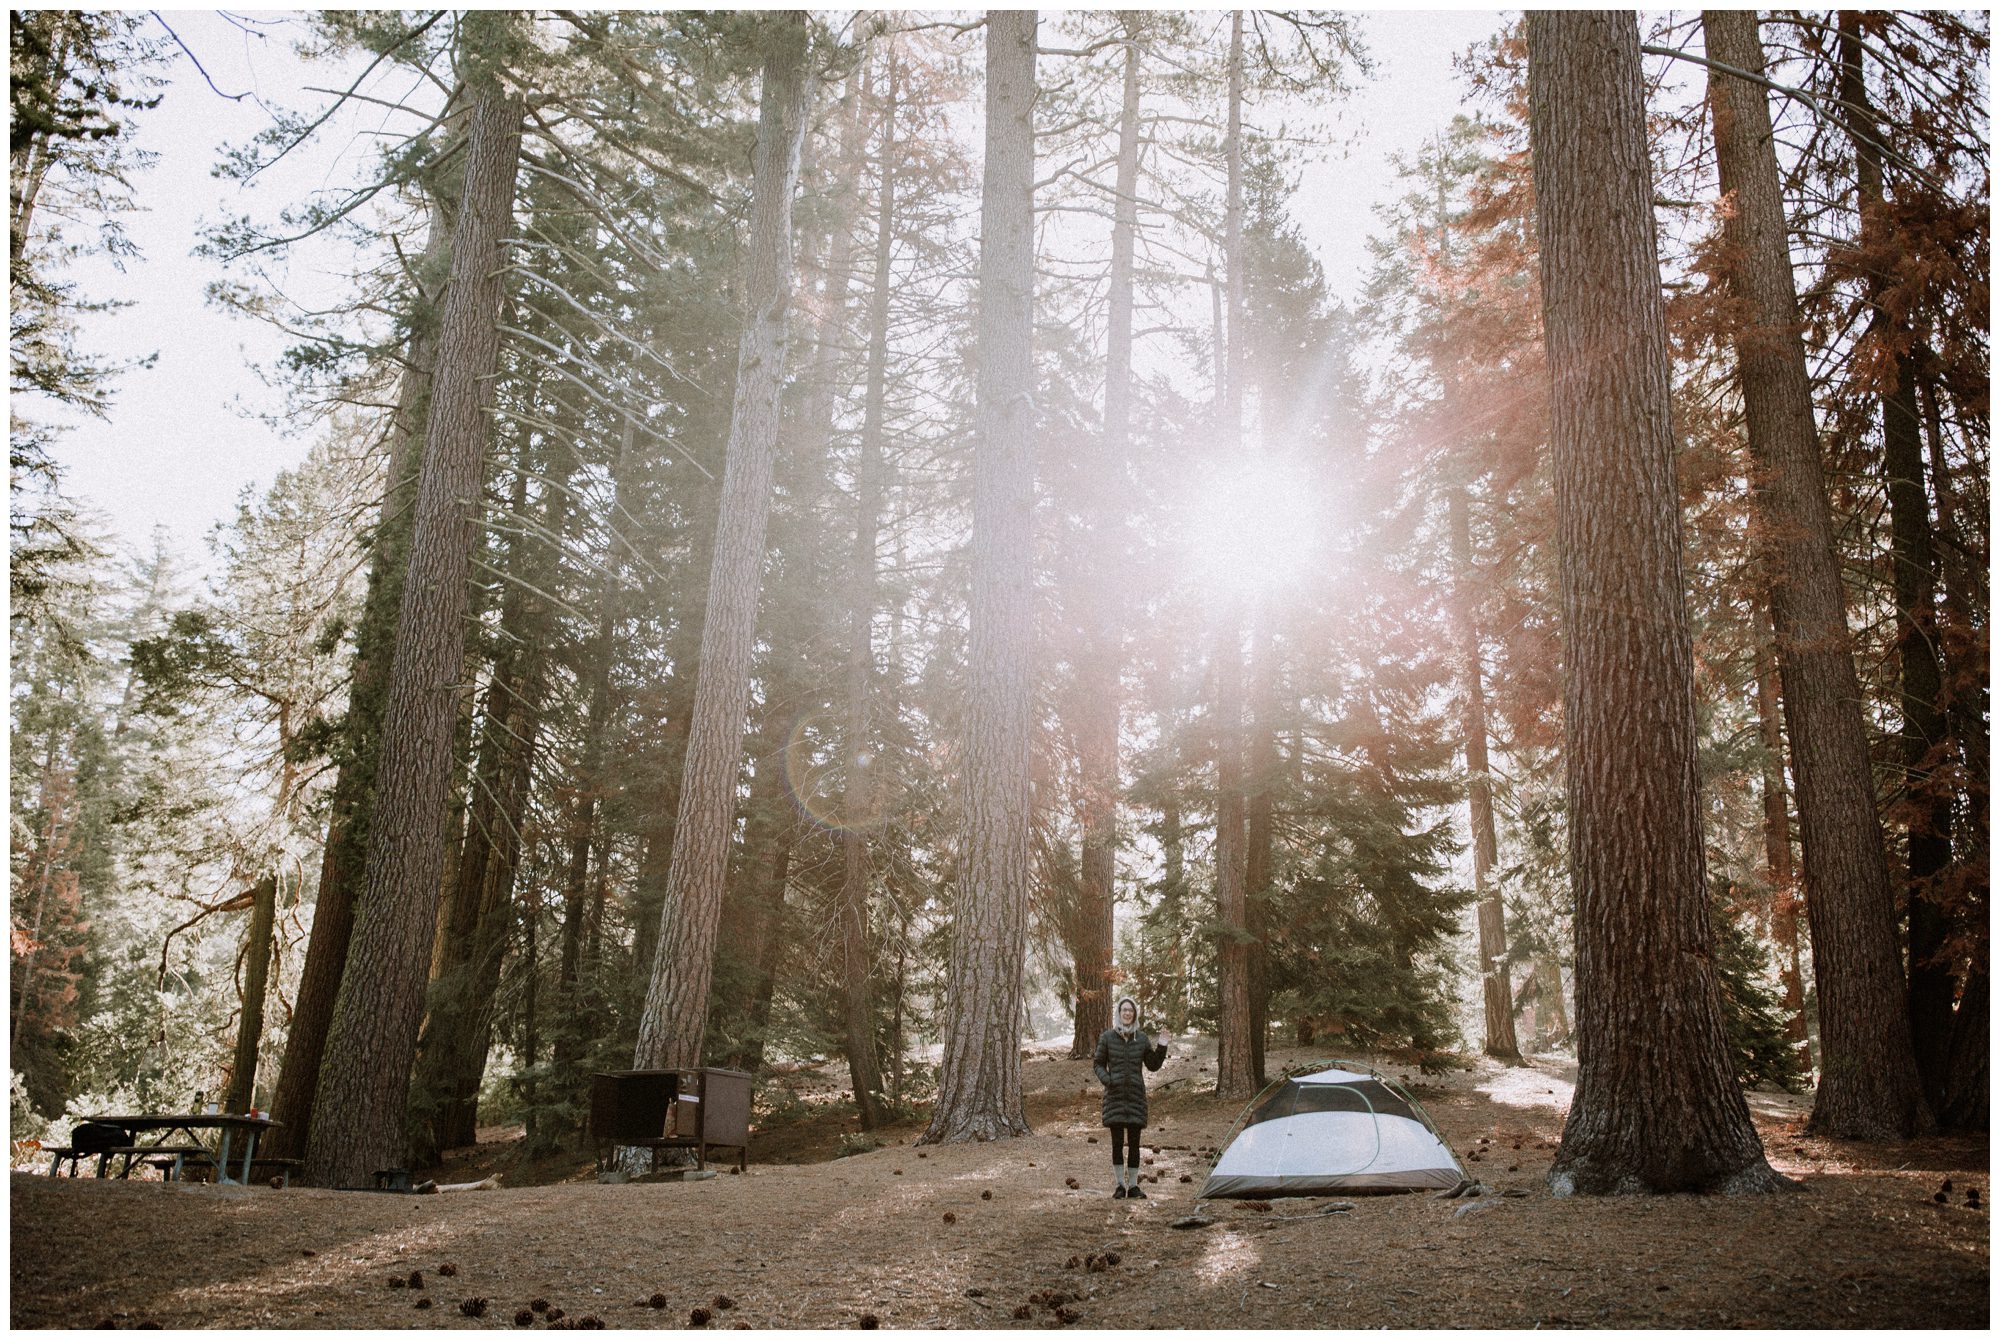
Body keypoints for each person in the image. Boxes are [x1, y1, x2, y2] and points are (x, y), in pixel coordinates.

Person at [1092, 995, 1168, 1199]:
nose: (1127, 1013)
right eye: (1124, 1010)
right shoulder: (1107, 1037)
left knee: (1135, 1144)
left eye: (1130, 1010)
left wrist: (1161, 1046)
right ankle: (1119, 1186)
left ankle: (1133, 1187)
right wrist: (1108, 1080)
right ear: (1119, 1013)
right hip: (1114, 1097)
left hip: (1135, 1098)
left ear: (1134, 1014)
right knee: (1117, 1144)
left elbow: (1153, 1065)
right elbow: (1097, 1063)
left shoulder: (1141, 1039)